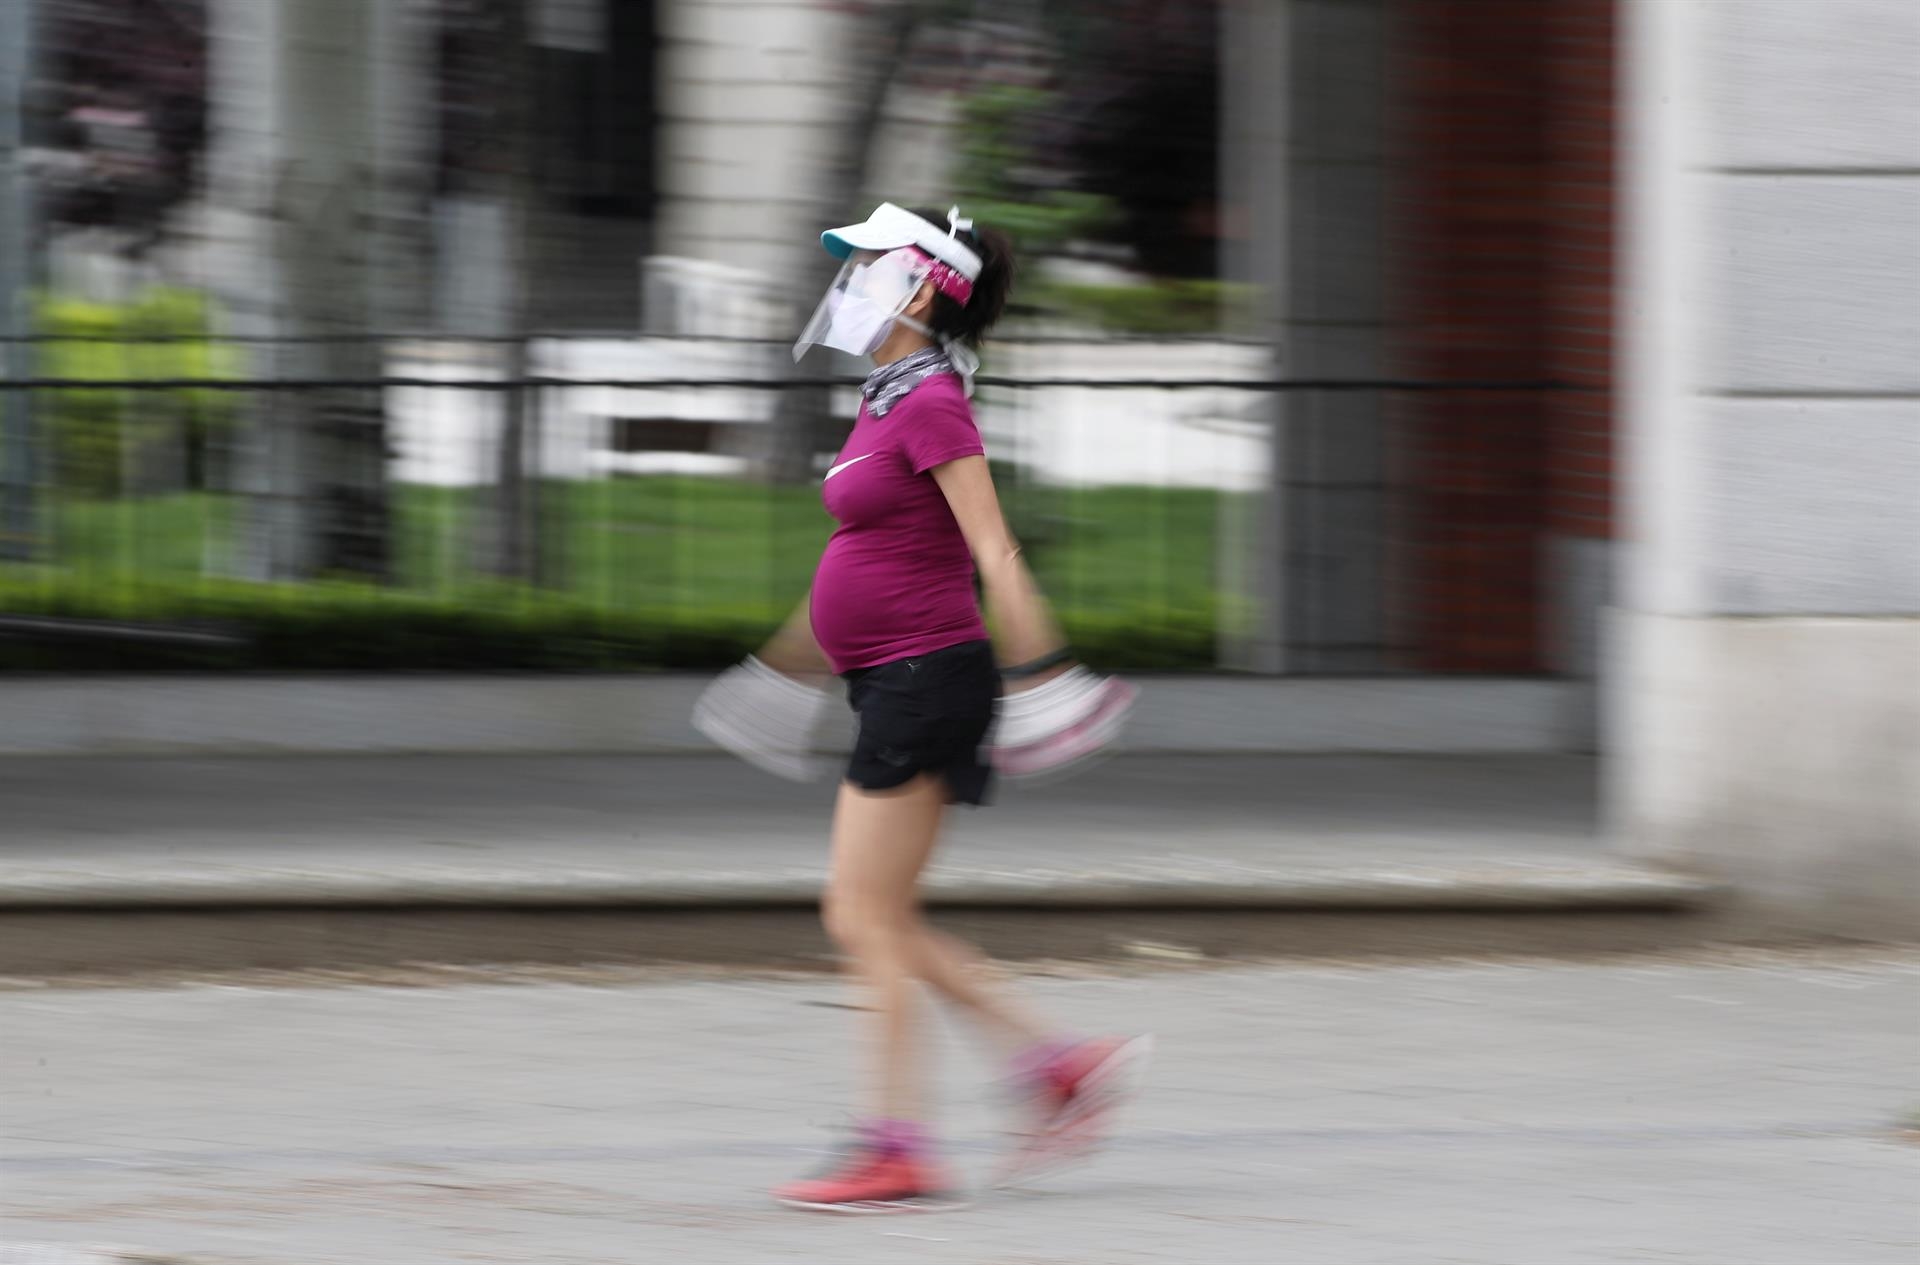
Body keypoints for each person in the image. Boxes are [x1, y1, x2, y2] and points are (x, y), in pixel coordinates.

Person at [710, 203, 1149, 1213]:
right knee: (879, 914)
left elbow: (993, 548)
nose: (846, 283)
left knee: (860, 913)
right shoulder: (889, 396)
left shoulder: (933, 402)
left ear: (918, 288)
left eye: (865, 266)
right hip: (896, 677)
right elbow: (870, 553)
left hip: (926, 679)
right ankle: (1061, 1066)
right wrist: (784, 673)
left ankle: (898, 1145)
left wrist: (1048, 680)